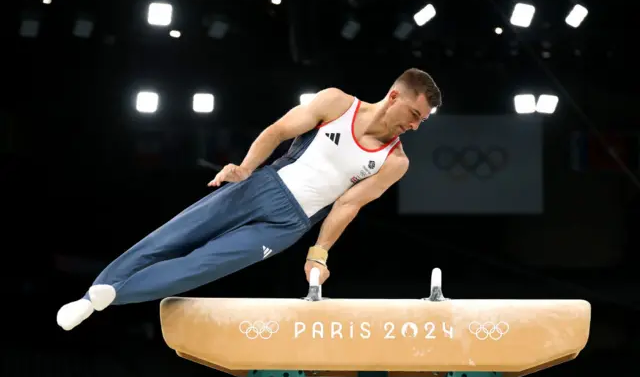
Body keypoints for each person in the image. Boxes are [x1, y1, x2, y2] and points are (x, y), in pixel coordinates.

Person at [56, 68, 442, 331]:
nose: (415, 124)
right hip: (263, 186)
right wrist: (244, 169)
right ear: (393, 97)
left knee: (202, 266)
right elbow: (277, 131)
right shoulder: (338, 103)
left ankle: (113, 296)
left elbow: (347, 205)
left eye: (422, 120)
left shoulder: (394, 161)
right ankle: (93, 294)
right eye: (414, 113)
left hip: (287, 226)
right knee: (175, 236)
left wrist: (319, 253)